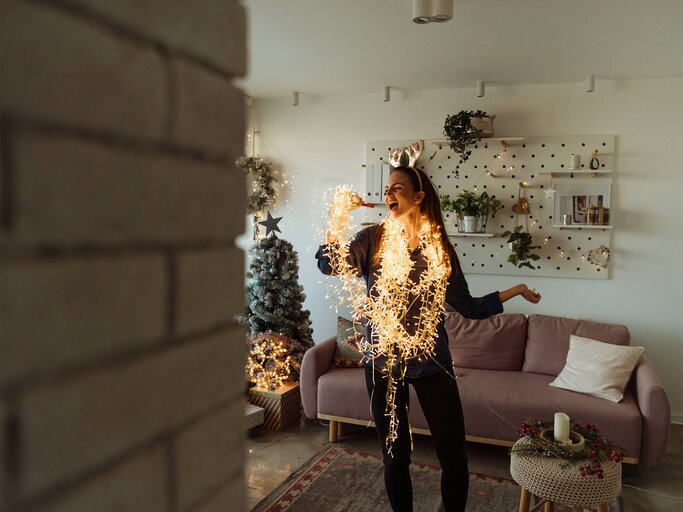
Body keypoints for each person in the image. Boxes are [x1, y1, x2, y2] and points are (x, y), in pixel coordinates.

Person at [315, 165, 541, 512]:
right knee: (395, 457)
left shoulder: (439, 249)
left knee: (453, 456)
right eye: (388, 189)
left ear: (418, 197)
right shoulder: (372, 239)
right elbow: (330, 265)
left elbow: (470, 307)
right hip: (383, 365)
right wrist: (338, 214)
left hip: (432, 362)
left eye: (399, 189)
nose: (390, 195)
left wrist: (516, 290)